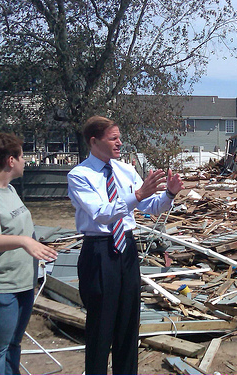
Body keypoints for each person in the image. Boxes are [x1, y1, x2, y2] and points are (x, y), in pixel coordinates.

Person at [67, 115, 183, 375]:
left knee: (129, 323)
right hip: (99, 252)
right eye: (114, 138)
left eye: (120, 137)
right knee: (100, 326)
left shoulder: (126, 170)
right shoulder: (79, 176)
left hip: (126, 250)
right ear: (94, 141)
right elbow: (102, 213)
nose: (120, 143)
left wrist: (169, 194)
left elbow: (149, 208)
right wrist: (138, 194)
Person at [0, 133, 58, 375]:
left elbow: (14, 228)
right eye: (22, 156)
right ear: (11, 160)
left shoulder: (8, 190)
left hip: (20, 285)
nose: (24, 161)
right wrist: (23, 242)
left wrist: (34, 244)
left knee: (12, 346)